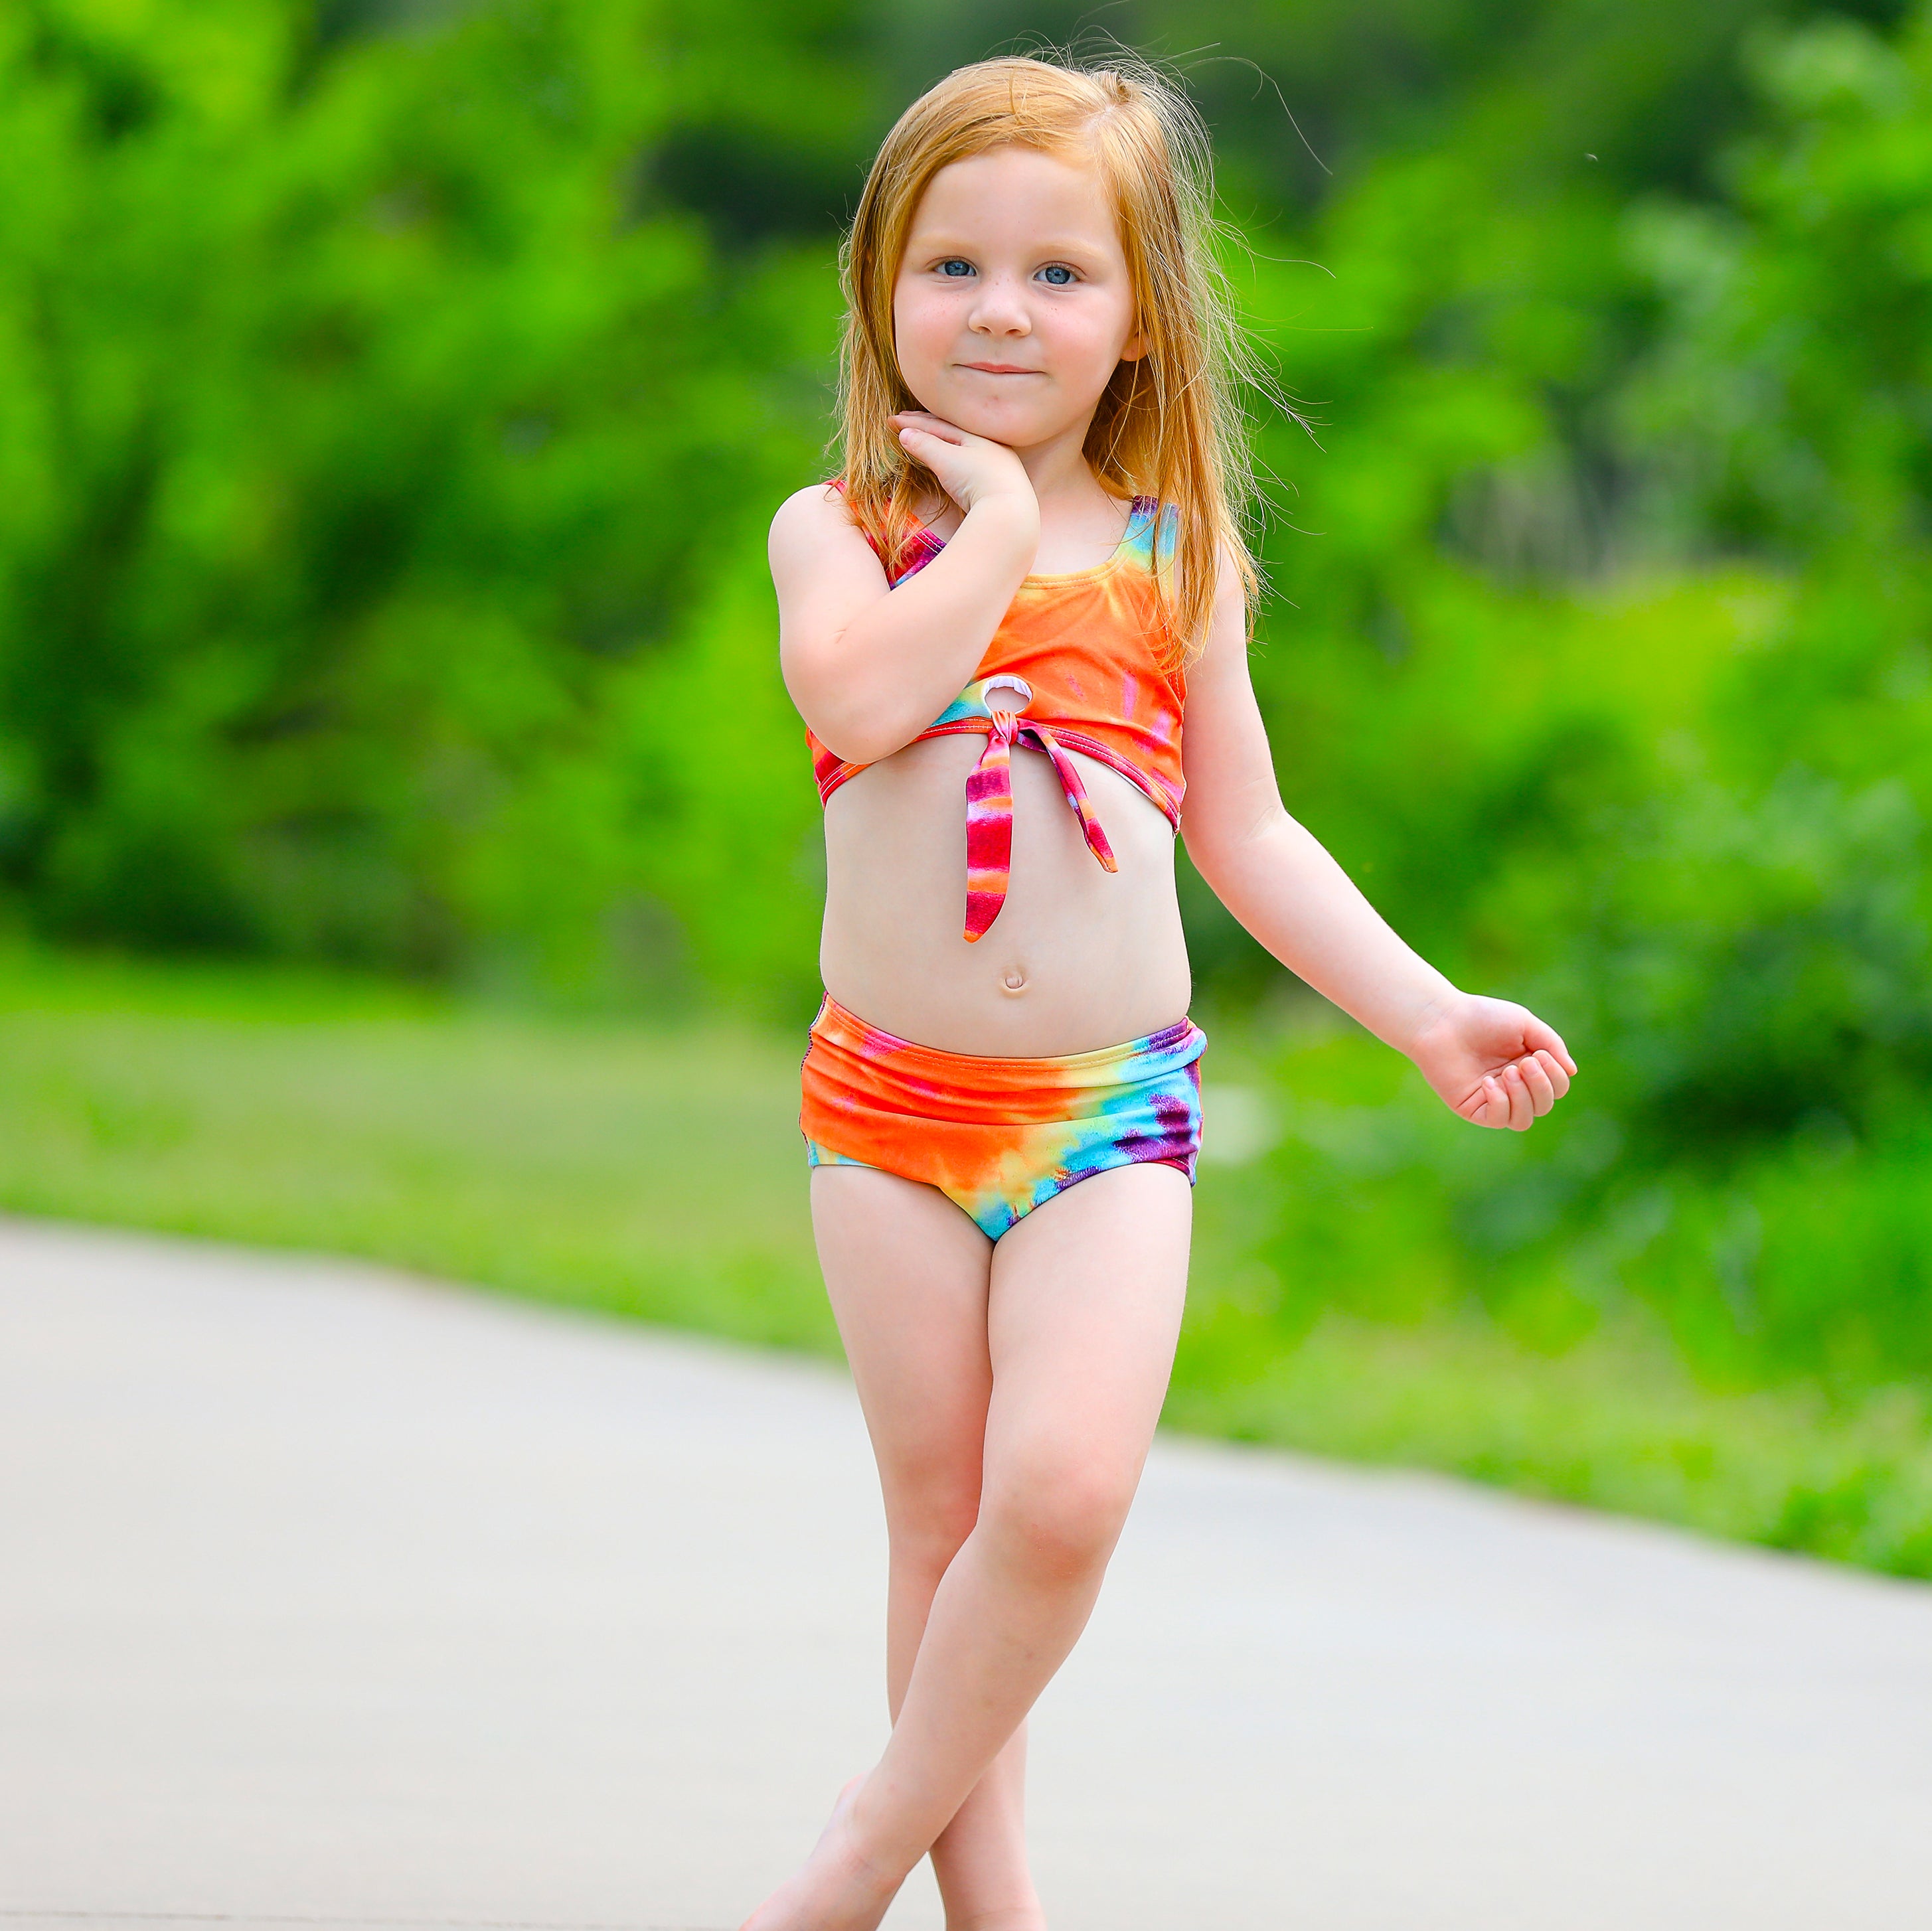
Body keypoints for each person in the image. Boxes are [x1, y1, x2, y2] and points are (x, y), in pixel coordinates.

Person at [750, 52, 1576, 1931]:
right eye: (952, 266)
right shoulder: (843, 533)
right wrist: (973, 530)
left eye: (1059, 275)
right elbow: (865, 702)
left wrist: (1430, 1011)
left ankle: (852, 1860)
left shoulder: (1172, 555)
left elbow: (1255, 836)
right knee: (943, 1522)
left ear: (1137, 322)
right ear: (881, 288)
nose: (1001, 311)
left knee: (1058, 1499)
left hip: (1106, 1113)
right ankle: (994, 1909)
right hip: (887, 1112)